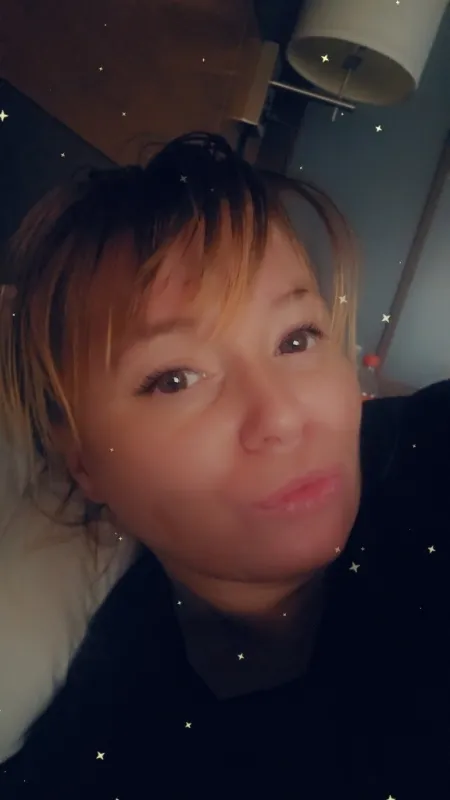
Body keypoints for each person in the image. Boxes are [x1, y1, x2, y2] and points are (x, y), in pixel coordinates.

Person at [0, 132, 449, 799]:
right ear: (84, 463)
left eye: (296, 339)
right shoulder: (95, 753)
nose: (282, 417)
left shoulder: (431, 454)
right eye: (174, 379)